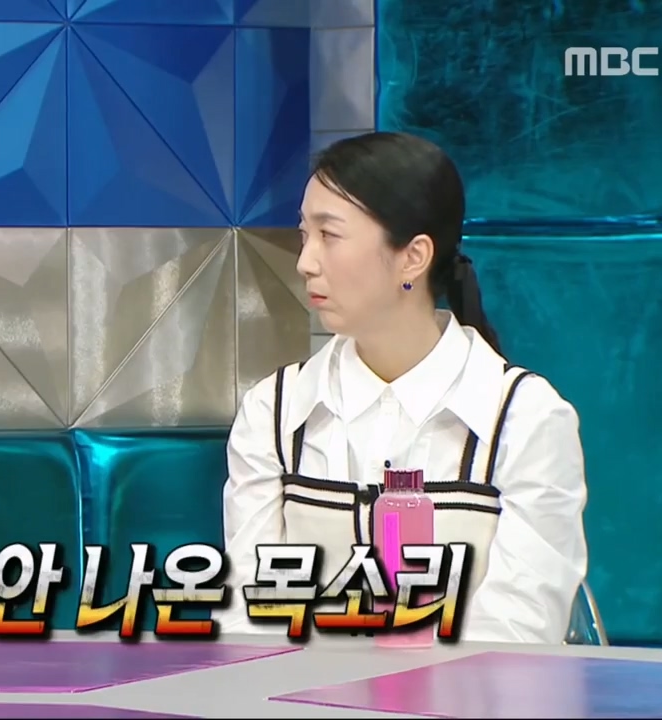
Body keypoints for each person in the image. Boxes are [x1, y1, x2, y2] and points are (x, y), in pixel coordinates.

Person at [217, 132, 588, 644]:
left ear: (413, 257)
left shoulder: (525, 418)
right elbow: (248, 612)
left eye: (330, 235)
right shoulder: (273, 413)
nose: (305, 261)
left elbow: (519, 630)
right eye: (305, 234)